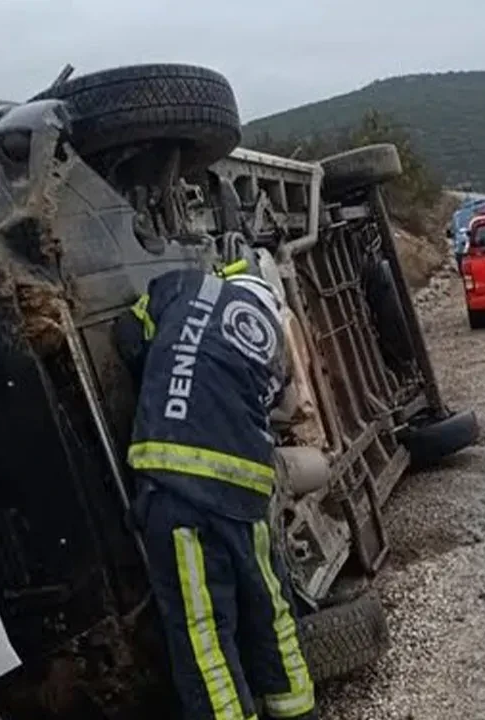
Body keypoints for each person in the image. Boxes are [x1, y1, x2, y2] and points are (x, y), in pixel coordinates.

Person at [114, 261, 317, 720]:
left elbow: (128, 334)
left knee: (204, 634)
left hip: (176, 489)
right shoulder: (271, 347)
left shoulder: (187, 285)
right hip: (247, 494)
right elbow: (276, 411)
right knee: (271, 612)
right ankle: (298, 711)